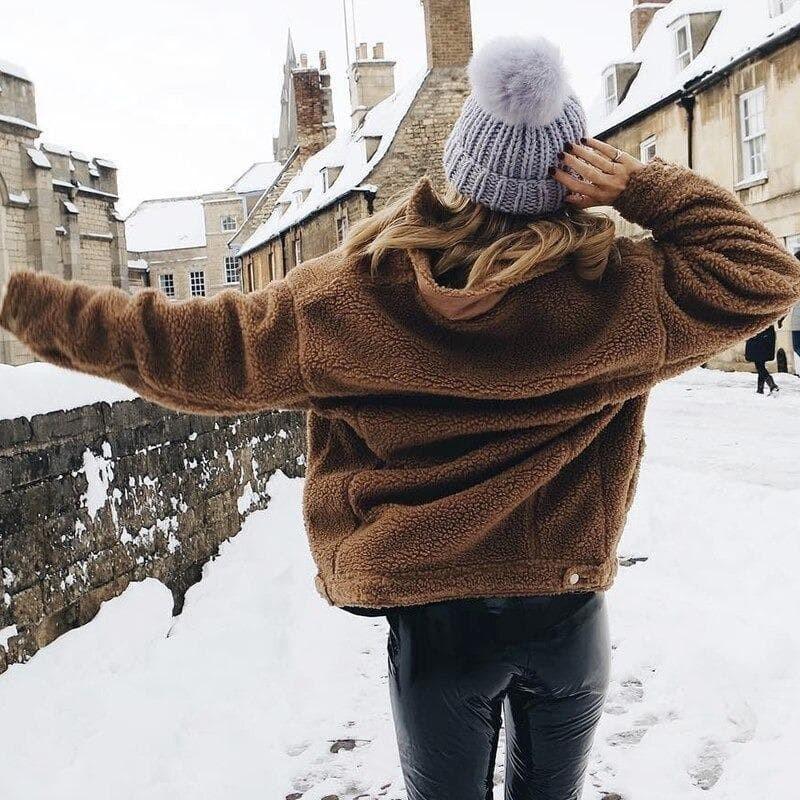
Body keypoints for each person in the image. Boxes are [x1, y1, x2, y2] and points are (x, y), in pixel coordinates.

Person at [2, 36, 799, 800]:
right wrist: (642, 187)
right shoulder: (626, 294)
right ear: (574, 174)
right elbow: (763, 274)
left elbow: (189, 348)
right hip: (565, 616)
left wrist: (25, 304)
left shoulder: (348, 300)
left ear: (460, 166)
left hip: (437, 632)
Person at [745, 325, 779, 395]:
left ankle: (772, 385)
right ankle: (760, 389)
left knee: (759, 365)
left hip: (758, 336)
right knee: (760, 364)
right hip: (765, 336)